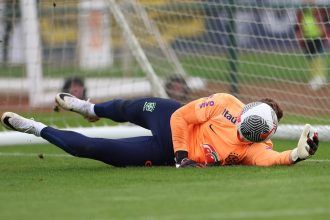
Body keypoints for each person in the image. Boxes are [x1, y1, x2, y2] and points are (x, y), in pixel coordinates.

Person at [1, 93, 319, 167]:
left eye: (255, 133)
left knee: (93, 150)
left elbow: (270, 160)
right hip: (172, 123)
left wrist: (296, 154)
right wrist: (182, 155)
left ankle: (35, 127)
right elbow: (181, 117)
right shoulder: (224, 102)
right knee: (126, 108)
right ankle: (90, 109)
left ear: (264, 135)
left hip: (163, 152)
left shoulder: (256, 149)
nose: (245, 133)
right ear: (244, 108)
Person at [296, 1, 328, 90]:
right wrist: (300, 35)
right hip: (307, 37)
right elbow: (298, 25)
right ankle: (315, 77)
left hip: (317, 36)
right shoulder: (301, 12)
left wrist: (323, 32)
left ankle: (320, 77)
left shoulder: (317, 11)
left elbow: (323, 22)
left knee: (318, 57)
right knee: (310, 58)